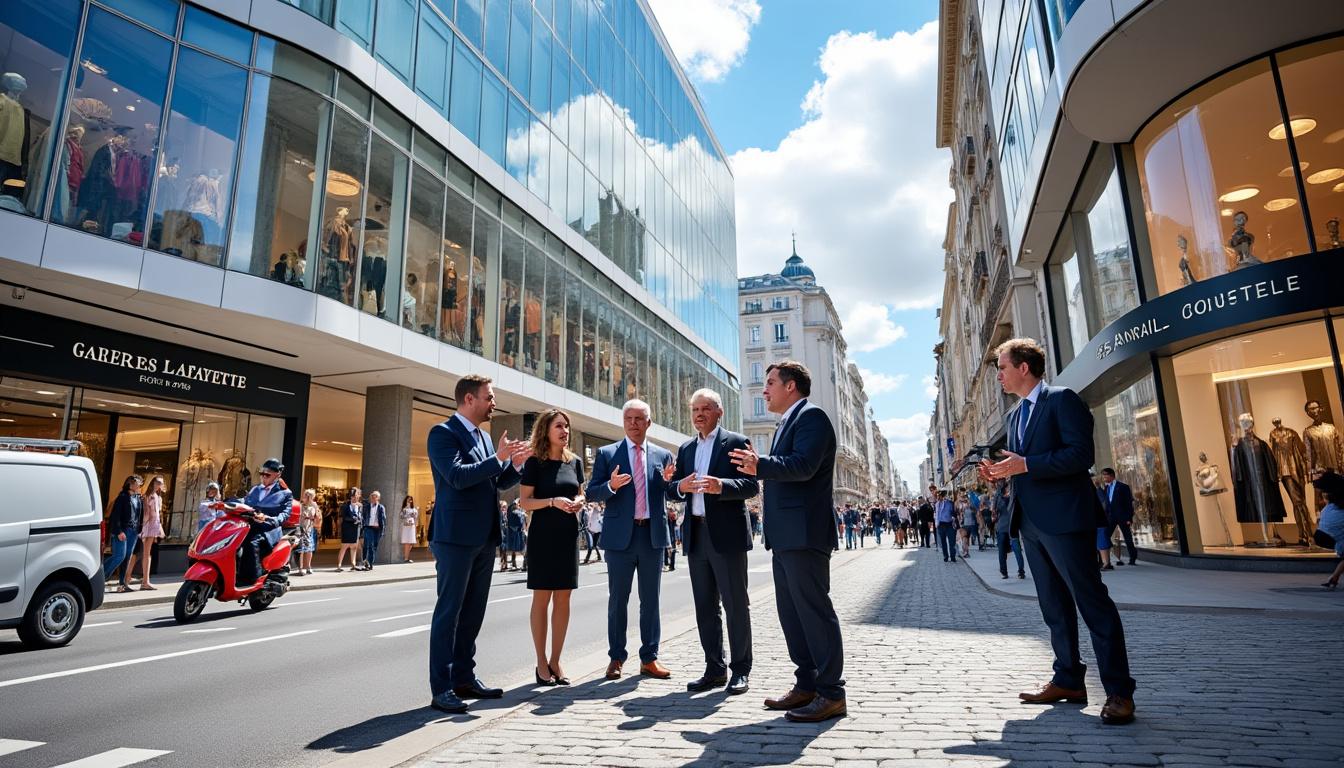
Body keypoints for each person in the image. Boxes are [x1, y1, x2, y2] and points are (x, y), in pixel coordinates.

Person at [981, 337, 1136, 726]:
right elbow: (1021, 465)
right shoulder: (1015, 416)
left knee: (1092, 604)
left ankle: (1118, 692)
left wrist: (1026, 465)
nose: (998, 374)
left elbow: (1081, 455)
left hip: (1066, 520)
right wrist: (1000, 472)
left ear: (1024, 368)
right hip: (1030, 523)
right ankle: (1068, 678)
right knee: (1054, 608)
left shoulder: (1062, 399)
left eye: (1002, 367)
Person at [729, 360, 846, 723]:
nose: (764, 391)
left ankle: (831, 692)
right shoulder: (786, 423)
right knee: (792, 615)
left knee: (813, 612)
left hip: (805, 534)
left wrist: (759, 465)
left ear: (791, 386)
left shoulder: (812, 418)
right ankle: (807, 684)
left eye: (770, 384)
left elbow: (803, 466)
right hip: (784, 536)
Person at [425, 374, 531, 714]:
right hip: (455, 537)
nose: (493, 402)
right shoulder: (442, 434)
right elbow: (456, 477)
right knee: (449, 613)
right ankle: (441, 687)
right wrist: (498, 458)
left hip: (485, 537)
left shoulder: (485, 438)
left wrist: (514, 466)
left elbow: (496, 481)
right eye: (489, 396)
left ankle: (464, 678)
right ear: (469, 399)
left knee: (473, 614)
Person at [667, 388, 759, 696]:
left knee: (735, 605)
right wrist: (679, 486)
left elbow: (750, 485)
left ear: (719, 412)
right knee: (705, 607)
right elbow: (672, 489)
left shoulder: (735, 442)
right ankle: (714, 668)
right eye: (694, 410)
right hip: (696, 534)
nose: (698, 415)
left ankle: (741, 670)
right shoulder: (686, 449)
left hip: (727, 535)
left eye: (705, 408)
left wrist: (722, 486)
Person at [585, 399, 677, 682]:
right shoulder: (607, 453)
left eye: (639, 419)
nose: (634, 423)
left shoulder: (663, 456)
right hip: (619, 539)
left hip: (652, 536)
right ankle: (616, 657)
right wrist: (611, 486)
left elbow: (673, 492)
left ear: (649, 422)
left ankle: (649, 658)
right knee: (618, 601)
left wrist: (673, 484)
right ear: (623, 422)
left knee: (651, 600)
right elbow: (592, 493)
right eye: (629, 419)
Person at [517, 408, 586, 687]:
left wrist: (580, 501)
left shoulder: (576, 461)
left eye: (567, 426)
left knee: (564, 599)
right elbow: (524, 501)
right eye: (559, 426)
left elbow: (581, 491)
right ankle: (541, 662)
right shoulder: (535, 462)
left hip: (568, 534)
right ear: (546, 430)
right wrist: (552, 501)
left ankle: (556, 660)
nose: (565, 431)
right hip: (543, 535)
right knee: (542, 598)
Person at [239, 458, 294, 589]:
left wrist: (269, 519)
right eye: (261, 474)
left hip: (268, 530)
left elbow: (285, 515)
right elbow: (243, 501)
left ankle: (252, 579)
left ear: (277, 475)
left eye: (267, 474)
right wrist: (224, 503)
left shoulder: (285, 493)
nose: (263, 477)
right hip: (249, 526)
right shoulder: (255, 489)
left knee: (251, 542)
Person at [103, 475, 143, 593]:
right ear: (130, 484)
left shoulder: (137, 498)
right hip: (123, 531)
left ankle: (123, 584)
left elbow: (138, 515)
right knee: (119, 555)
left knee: (127, 557)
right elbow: (115, 516)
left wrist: (139, 529)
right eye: (137, 483)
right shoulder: (122, 497)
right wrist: (119, 531)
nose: (139, 485)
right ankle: (101, 577)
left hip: (133, 531)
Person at [1099, 469, 1137, 566]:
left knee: (1127, 537)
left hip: (1123, 517)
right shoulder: (1106, 488)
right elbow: (1106, 502)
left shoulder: (1123, 487)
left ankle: (1132, 558)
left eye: (1105, 476)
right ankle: (1105, 560)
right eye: (1103, 476)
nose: (1104, 478)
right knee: (1105, 536)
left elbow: (1128, 503)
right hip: (1110, 517)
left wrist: (1129, 518)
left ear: (1111, 475)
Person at [1312, 472, 1344, 588]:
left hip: (1321, 535)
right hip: (1328, 535)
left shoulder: (1331, 507)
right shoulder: (1337, 509)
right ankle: (1334, 578)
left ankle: (1334, 578)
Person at [136, 476, 165, 590]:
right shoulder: (148, 496)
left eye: (161, 483)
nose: (159, 485)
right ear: (153, 483)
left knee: (147, 554)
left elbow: (157, 514)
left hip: (154, 525)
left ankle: (145, 581)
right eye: (158, 482)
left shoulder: (158, 497)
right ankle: (145, 581)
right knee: (146, 554)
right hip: (148, 525)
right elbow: (146, 514)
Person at [993, 480, 1025, 579]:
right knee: (1002, 551)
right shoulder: (999, 497)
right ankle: (1004, 572)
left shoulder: (1014, 496)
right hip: (1002, 527)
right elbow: (994, 511)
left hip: (1012, 527)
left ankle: (1021, 571)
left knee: (1017, 550)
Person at [336, 488, 363, 572]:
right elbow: (343, 516)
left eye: (356, 496)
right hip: (347, 528)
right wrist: (354, 520)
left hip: (356, 528)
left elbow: (362, 516)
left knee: (354, 547)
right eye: (352, 496)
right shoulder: (345, 505)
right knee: (344, 547)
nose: (354, 498)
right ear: (350, 497)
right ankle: (339, 565)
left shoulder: (360, 506)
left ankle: (353, 564)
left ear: (359, 496)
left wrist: (360, 520)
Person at [361, 490, 387, 570]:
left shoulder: (381, 507)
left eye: (375, 496)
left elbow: (383, 519)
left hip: (377, 529)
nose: (373, 497)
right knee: (369, 546)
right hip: (368, 527)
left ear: (378, 498)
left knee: (374, 546)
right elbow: (363, 516)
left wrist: (382, 530)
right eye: (372, 496)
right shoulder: (367, 506)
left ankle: (369, 562)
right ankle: (368, 563)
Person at [298, 489, 320, 575]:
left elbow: (318, 518)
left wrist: (315, 509)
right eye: (304, 496)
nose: (304, 498)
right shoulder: (300, 506)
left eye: (306, 496)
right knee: (301, 549)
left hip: (309, 530)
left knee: (309, 549)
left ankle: (308, 567)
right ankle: (300, 568)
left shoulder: (314, 506)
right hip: (300, 529)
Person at [935, 491, 957, 562]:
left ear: (943, 496)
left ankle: (953, 556)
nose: (938, 497)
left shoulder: (950, 503)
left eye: (939, 496)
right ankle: (945, 556)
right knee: (943, 542)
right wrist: (936, 524)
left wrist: (953, 518)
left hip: (949, 524)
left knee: (952, 542)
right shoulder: (937, 504)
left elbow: (954, 512)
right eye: (938, 496)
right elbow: (936, 515)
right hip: (941, 525)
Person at [504, 500, 527, 570]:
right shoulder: (512, 512)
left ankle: (524, 564)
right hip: (515, 533)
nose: (518, 505)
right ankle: (517, 564)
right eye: (517, 504)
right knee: (518, 549)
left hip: (518, 532)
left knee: (520, 549)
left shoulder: (519, 512)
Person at [401, 496, 419, 563]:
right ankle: (406, 558)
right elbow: (401, 516)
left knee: (411, 542)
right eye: (408, 500)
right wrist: (407, 515)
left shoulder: (414, 509)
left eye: (411, 500)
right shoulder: (404, 509)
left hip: (412, 526)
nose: (409, 501)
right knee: (407, 542)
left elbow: (416, 517)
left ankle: (406, 556)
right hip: (406, 526)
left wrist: (415, 512)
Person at [664, 507, 680, 571]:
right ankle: (667, 564)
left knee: (672, 549)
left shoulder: (673, 517)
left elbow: (677, 521)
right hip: (669, 535)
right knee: (666, 549)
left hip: (671, 535)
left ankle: (671, 565)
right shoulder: (668, 517)